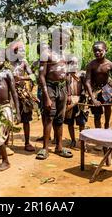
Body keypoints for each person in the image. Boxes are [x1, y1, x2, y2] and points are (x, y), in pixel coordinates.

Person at [36, 29, 73, 160]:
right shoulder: (46, 54)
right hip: (50, 87)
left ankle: (59, 147)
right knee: (49, 116)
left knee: (60, 118)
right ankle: (45, 148)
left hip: (62, 89)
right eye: (61, 40)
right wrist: (46, 96)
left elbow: (67, 75)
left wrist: (69, 93)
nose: (64, 43)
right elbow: (41, 76)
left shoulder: (65, 55)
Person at [0, 47, 21, 171]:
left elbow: (14, 93)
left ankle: (6, 161)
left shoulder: (7, 73)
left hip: (5, 106)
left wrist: (17, 112)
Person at [10, 41, 36, 152]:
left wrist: (21, 78)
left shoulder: (24, 63)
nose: (23, 53)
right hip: (9, 94)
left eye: (23, 51)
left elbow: (33, 77)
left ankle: (27, 143)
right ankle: (4, 143)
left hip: (22, 94)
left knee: (26, 118)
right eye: (20, 51)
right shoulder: (8, 63)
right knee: (7, 117)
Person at [64, 56, 87, 149]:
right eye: (71, 63)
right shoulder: (66, 75)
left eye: (76, 63)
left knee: (81, 122)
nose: (74, 65)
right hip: (69, 101)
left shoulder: (82, 74)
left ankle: (83, 142)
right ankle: (73, 140)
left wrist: (82, 97)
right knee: (70, 122)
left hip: (80, 101)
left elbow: (87, 86)